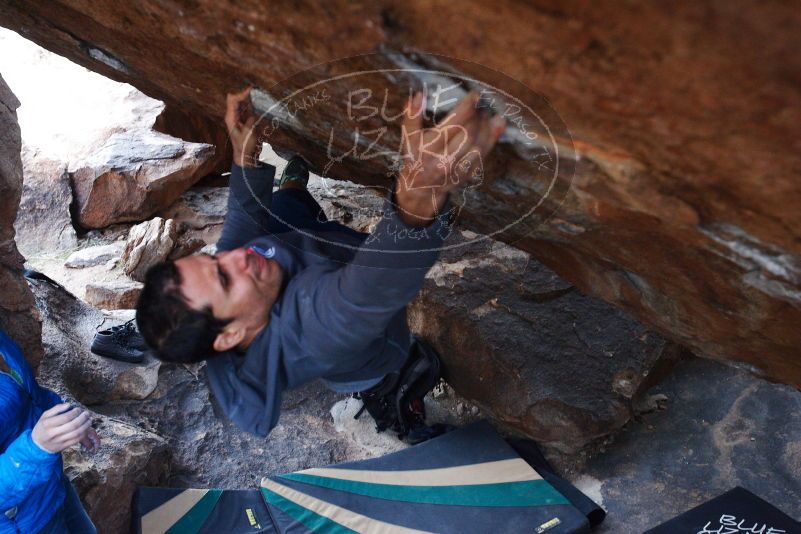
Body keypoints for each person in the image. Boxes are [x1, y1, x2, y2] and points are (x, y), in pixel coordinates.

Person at [136, 87, 505, 438]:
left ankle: (293, 187)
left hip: (307, 252)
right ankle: (387, 389)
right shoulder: (315, 333)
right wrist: (419, 197)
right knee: (366, 359)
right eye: (225, 278)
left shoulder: (233, 284)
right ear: (231, 335)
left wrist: (243, 156)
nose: (233, 257)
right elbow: (372, 285)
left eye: (211, 259)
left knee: (281, 210)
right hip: (368, 351)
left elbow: (238, 231)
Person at [0, 329, 99, 533]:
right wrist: (36, 448)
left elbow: (31, 395)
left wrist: (68, 420)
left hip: (51, 485)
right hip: (24, 521)